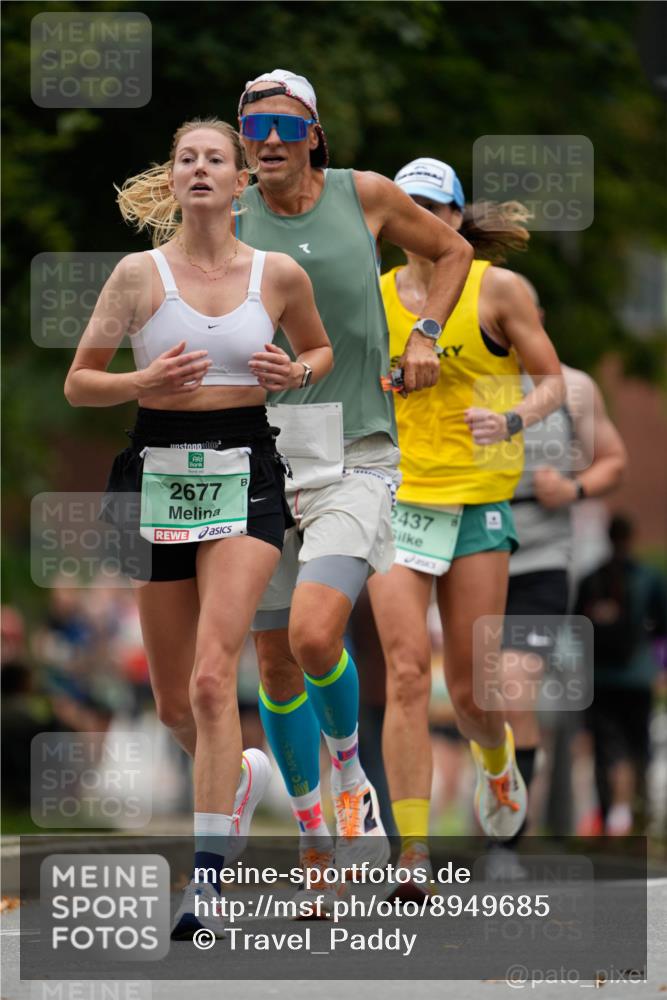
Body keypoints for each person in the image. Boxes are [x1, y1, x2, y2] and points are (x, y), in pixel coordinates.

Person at [64, 117, 333, 939]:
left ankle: (207, 886)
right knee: (178, 704)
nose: (202, 169)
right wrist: (143, 377)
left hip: (245, 472)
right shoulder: (138, 277)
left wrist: (294, 371)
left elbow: (318, 352)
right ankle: (238, 784)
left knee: (219, 681)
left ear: (242, 178)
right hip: (155, 471)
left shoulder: (278, 274)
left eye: (217, 157)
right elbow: (80, 384)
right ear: (173, 180)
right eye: (188, 159)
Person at [233, 71, 473, 904]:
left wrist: (426, 333)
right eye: (250, 123)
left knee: (311, 635)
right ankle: (315, 840)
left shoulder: (362, 196)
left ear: (313, 134)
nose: (265, 137)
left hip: (356, 453)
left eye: (281, 122)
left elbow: (454, 250)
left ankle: (350, 777)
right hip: (259, 458)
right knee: (271, 661)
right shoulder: (225, 214)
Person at [368, 157, 566, 895]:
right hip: (397, 500)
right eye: (403, 207)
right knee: (407, 672)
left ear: (454, 220)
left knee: (474, 692)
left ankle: (495, 762)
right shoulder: (372, 295)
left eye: (432, 207)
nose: (418, 219)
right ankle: (411, 852)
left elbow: (552, 379)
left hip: (478, 503)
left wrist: (510, 416)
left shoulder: (497, 290)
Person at [494, 275, 626, 869]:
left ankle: (506, 846)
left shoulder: (575, 387)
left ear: (537, 314)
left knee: (513, 685)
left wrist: (571, 487)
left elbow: (614, 460)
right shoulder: (472, 381)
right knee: (475, 699)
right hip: (471, 548)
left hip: (543, 556)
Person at [576, 515, 667, 835]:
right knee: (639, 746)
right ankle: (640, 819)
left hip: (600, 678)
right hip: (637, 677)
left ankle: (604, 818)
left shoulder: (592, 578)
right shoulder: (648, 577)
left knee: (604, 750)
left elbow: (577, 631)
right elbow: (661, 627)